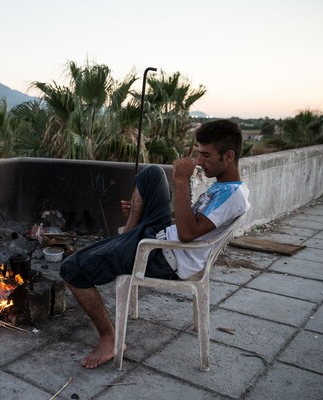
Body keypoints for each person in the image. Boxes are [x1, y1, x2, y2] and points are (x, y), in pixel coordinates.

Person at [60, 119, 251, 369]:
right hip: (162, 235)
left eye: (205, 155)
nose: (199, 162)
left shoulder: (233, 197)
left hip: (163, 258)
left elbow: (187, 233)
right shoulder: (225, 187)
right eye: (198, 154)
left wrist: (181, 181)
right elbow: (189, 223)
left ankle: (110, 339)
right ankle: (127, 236)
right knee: (151, 173)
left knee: (71, 269)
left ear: (228, 156)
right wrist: (142, 211)